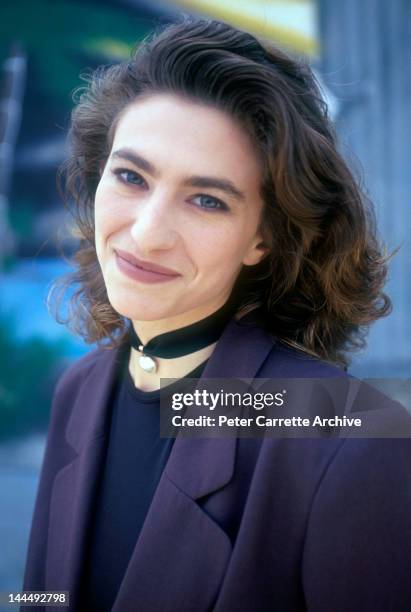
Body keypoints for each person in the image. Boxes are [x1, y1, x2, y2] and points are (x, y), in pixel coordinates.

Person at [22, 15, 411, 612]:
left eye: (207, 200)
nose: (148, 235)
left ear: (265, 238)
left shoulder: (352, 435)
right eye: (130, 176)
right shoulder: (80, 387)